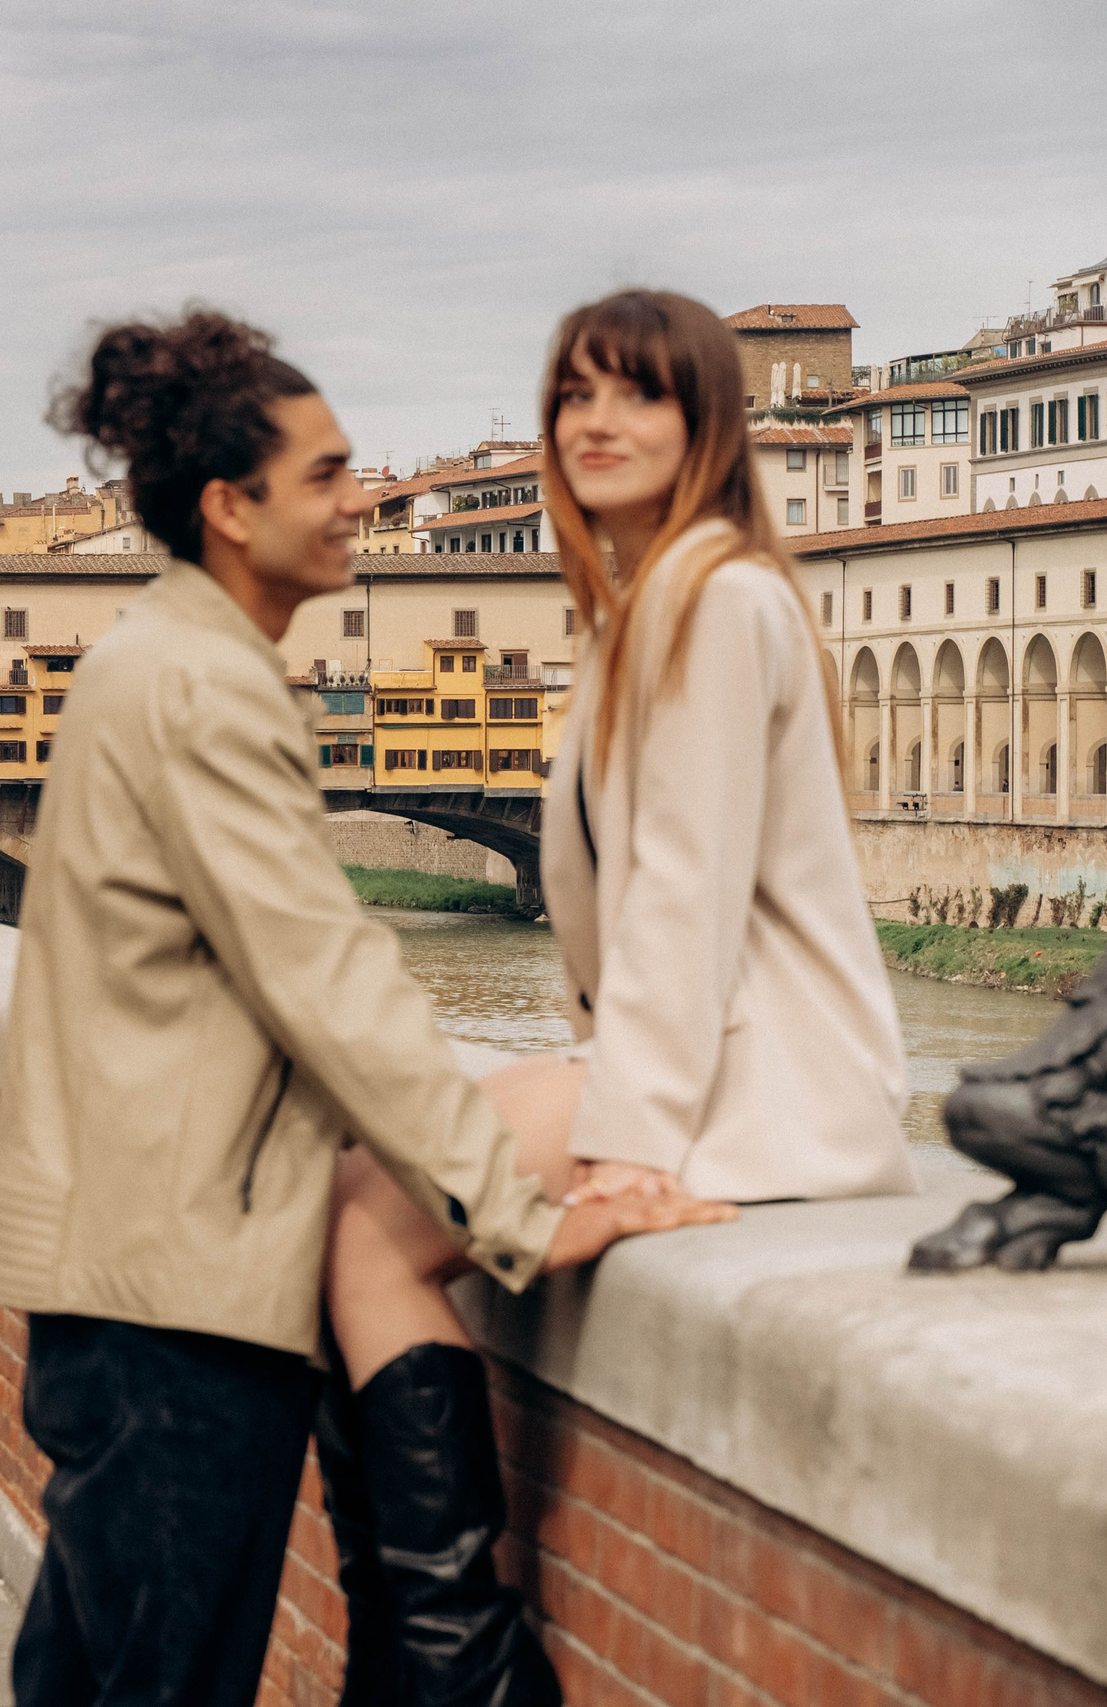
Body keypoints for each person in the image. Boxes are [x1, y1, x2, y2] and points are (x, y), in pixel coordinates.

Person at [0, 308, 731, 1707]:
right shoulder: (202, 685)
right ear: (230, 505)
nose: (356, 503)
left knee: (93, 1676)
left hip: (127, 1273)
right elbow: (326, 978)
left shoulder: (159, 658)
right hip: (178, 1297)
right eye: (325, 475)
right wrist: (514, 1216)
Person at [317, 289, 915, 1705]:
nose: (596, 420)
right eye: (574, 394)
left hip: (757, 1073)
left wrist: (632, 1144)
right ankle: (425, 1653)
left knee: (370, 1232)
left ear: (704, 424)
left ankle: (455, 1664)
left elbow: (685, 895)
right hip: (703, 1053)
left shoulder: (713, 599)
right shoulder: (650, 604)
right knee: (350, 1193)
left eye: (636, 394)